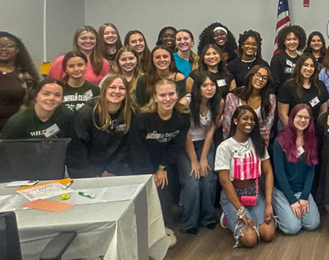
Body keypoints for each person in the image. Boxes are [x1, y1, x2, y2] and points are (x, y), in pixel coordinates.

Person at [130, 77, 201, 233]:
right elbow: (137, 149)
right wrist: (151, 171)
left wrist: (162, 167)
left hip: (164, 161)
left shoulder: (182, 116)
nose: (168, 99)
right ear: (155, 97)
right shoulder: (142, 118)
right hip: (142, 162)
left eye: (171, 94)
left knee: (164, 187)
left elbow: (177, 145)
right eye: (162, 95)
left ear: (177, 95)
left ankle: (163, 228)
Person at [214, 105, 276, 248]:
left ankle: (252, 217)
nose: (249, 122)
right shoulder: (225, 147)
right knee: (250, 240)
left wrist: (268, 204)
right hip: (233, 196)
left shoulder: (258, 143)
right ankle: (227, 218)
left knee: (268, 234)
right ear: (235, 121)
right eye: (245, 118)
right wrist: (241, 212)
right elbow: (224, 181)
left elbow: (269, 172)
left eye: (252, 119)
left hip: (254, 193)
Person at [66, 74, 134, 178]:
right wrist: (93, 174)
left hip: (116, 167)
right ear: (103, 90)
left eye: (122, 88)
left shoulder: (130, 113)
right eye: (112, 87)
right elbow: (77, 151)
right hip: (89, 170)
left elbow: (127, 146)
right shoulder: (86, 114)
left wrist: (111, 170)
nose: (117, 91)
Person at [271, 104, 321, 235]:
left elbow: (311, 171)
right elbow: (279, 173)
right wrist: (292, 200)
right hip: (283, 190)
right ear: (292, 117)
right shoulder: (280, 141)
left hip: (302, 190)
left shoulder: (312, 140)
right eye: (299, 116)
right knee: (292, 228)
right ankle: (279, 210)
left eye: (306, 117)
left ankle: (293, 212)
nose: (302, 120)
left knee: (312, 224)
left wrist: (304, 197)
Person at [183, 71, 224, 231]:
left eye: (212, 85)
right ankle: (190, 223)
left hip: (205, 144)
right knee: (192, 181)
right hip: (186, 145)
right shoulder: (185, 103)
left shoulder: (218, 103)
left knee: (208, 179)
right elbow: (185, 133)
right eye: (204, 85)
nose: (209, 88)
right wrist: (194, 160)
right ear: (197, 87)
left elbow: (211, 130)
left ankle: (208, 218)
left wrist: (203, 158)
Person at [0, 78, 74, 140]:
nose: (51, 98)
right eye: (46, 94)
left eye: (57, 95)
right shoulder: (16, 122)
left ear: (62, 99)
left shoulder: (67, 116)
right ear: (36, 96)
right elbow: (4, 151)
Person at [221, 63, 276, 146]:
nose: (260, 79)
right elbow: (227, 126)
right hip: (234, 141)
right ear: (251, 76)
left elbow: (266, 128)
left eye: (264, 78)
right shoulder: (233, 96)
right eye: (258, 75)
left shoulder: (270, 99)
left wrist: (261, 148)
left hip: (256, 142)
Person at [277, 55, 329, 128]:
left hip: (312, 130)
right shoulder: (288, 86)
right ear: (299, 66)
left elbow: (323, 112)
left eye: (312, 66)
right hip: (290, 129)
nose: (308, 68)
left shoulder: (320, 86)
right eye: (305, 65)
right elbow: (282, 114)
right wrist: (294, 132)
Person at [271, 24, 306, 90]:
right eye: (288, 39)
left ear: (299, 41)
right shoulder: (277, 59)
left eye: (294, 39)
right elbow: (275, 83)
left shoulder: (302, 59)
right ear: (284, 42)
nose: (292, 42)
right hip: (282, 97)